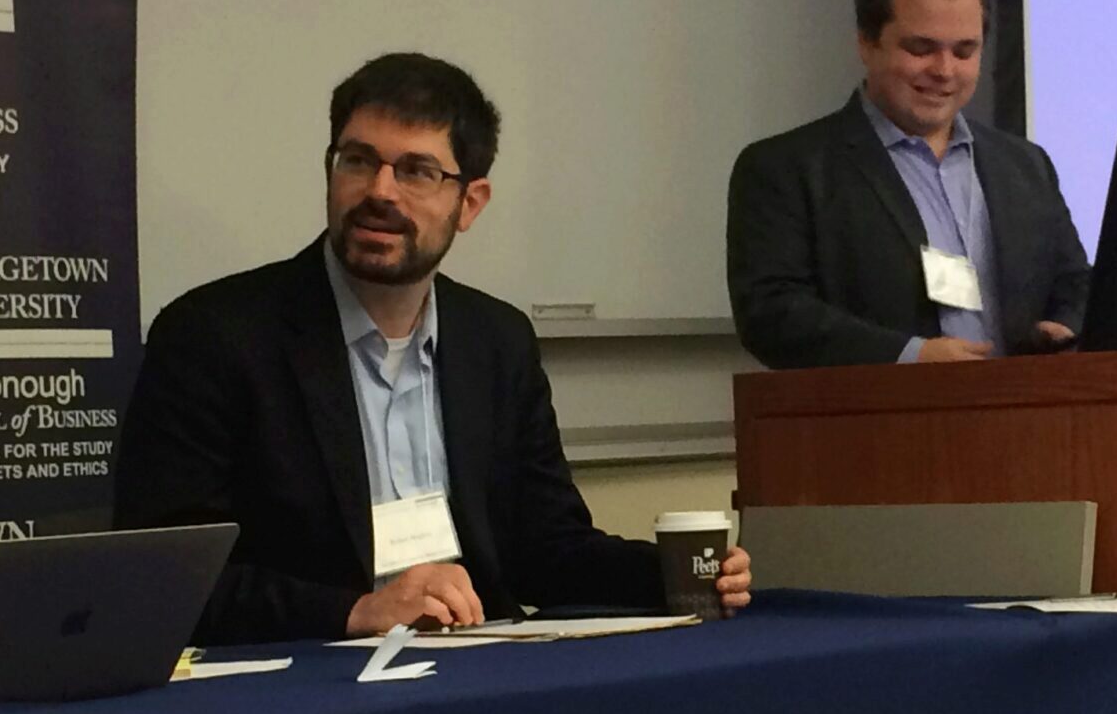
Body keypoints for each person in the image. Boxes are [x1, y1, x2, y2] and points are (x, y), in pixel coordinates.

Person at [115, 51, 751, 644]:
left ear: (469, 202)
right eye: (359, 160)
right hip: (312, 686)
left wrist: (682, 573)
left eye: (417, 171)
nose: (380, 192)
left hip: (478, 670)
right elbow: (162, 578)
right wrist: (357, 612)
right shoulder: (215, 337)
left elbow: (547, 548)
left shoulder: (495, 342)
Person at [726, 0, 1092, 370]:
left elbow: (1074, 284)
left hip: (1026, 422)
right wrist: (910, 356)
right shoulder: (784, 169)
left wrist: (1066, 326)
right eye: (921, 48)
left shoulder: (1026, 166)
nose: (944, 70)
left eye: (964, 51)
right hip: (877, 425)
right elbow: (771, 314)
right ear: (866, 43)